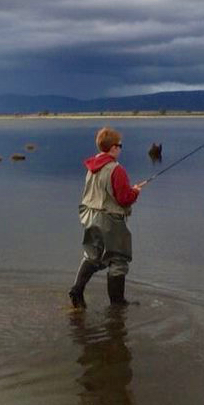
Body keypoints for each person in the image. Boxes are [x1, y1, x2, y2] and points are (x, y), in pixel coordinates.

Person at [68, 127, 145, 308]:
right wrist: (135, 191)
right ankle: (117, 304)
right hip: (110, 219)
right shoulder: (116, 169)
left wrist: (129, 190)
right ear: (113, 148)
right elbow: (124, 199)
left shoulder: (91, 166)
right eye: (120, 145)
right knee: (118, 259)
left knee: (92, 255)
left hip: (89, 216)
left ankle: (76, 291)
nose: (120, 148)